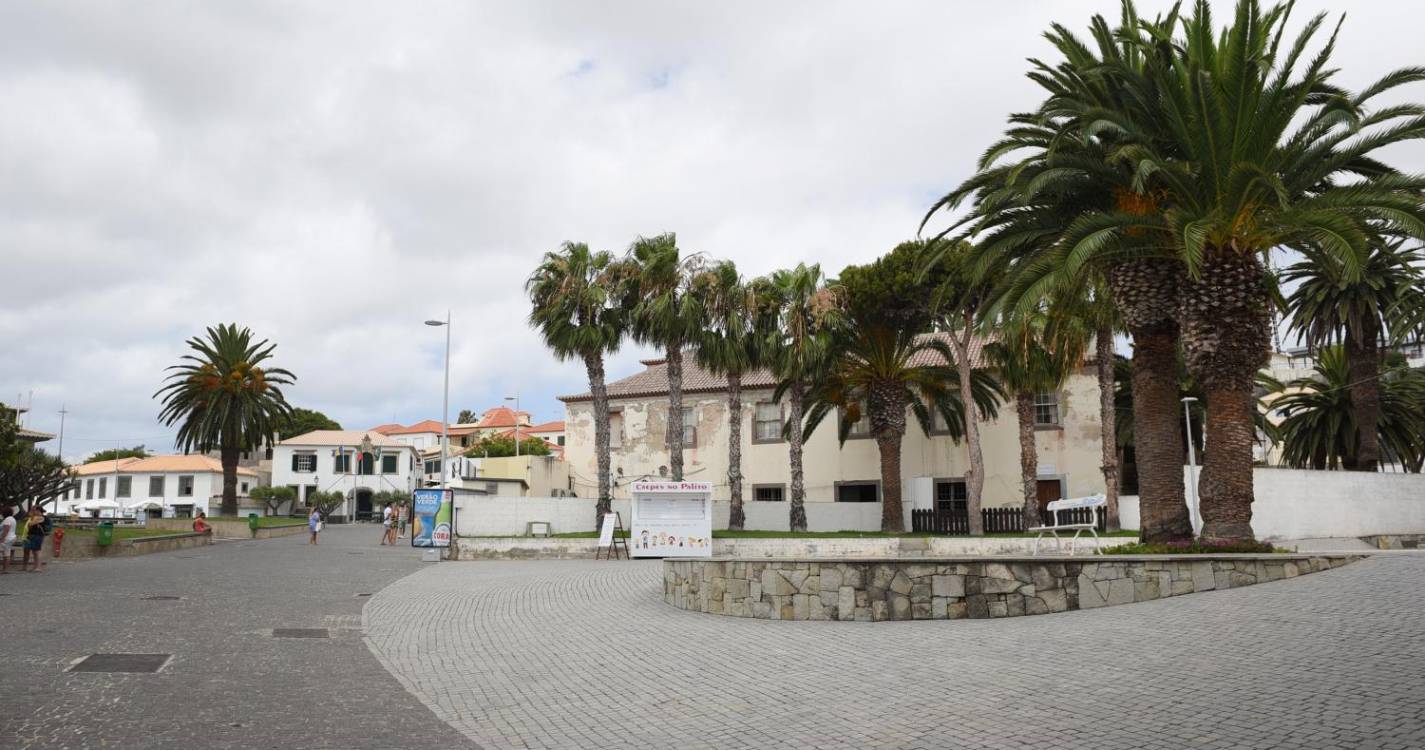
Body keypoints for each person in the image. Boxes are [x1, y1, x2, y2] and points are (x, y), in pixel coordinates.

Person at [23, 506, 49, 572]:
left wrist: (32, 518)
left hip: (38, 536)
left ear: (38, 511)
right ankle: (35, 566)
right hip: (33, 536)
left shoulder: (41, 517)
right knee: (34, 552)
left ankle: (38, 567)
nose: (33, 512)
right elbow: (30, 524)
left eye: (34, 510)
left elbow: (31, 524)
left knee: (37, 551)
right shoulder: (36, 517)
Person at [0, 506, 16, 574]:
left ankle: (4, 569)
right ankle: (5, 569)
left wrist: (2, 539)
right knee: (7, 554)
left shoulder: (7, 519)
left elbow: (6, 529)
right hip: (11, 538)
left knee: (5, 554)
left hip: (6, 538)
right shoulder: (12, 519)